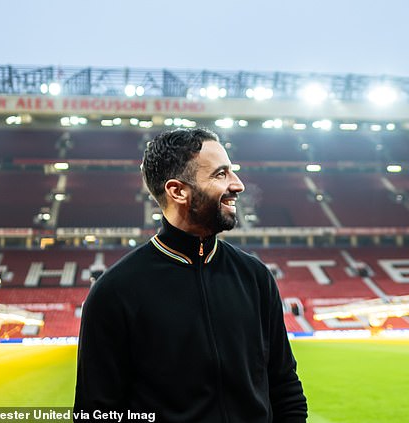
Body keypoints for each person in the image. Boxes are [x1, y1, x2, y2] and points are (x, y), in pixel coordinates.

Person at [74, 128, 307, 423]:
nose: (238, 185)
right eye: (221, 174)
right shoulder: (115, 292)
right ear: (178, 191)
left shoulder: (255, 277)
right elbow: (97, 412)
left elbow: (284, 386)